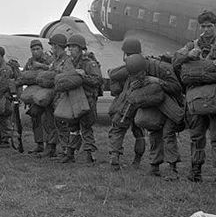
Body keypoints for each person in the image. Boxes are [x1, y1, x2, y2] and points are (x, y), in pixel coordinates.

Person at [172, 11, 216, 182]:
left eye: (210, 26)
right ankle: (195, 170)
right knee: (196, 136)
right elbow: (175, 60)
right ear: (199, 26)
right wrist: (188, 55)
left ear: (215, 26)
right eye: (203, 26)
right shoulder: (192, 45)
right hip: (196, 97)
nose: (206, 29)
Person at [128, 52, 184, 179]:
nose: (138, 77)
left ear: (143, 68)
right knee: (153, 132)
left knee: (168, 133)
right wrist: (134, 87)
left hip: (171, 104)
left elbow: (177, 88)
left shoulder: (163, 68)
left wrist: (158, 81)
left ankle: (172, 168)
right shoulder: (135, 70)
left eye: (139, 74)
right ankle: (154, 166)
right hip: (154, 103)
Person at [62, 34, 103, 164]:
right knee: (72, 127)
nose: (71, 49)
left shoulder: (90, 63)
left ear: (81, 48)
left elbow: (98, 80)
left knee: (86, 126)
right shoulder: (69, 62)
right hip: (73, 98)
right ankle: (70, 154)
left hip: (87, 99)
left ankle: (90, 155)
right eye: (70, 47)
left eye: (74, 46)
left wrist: (83, 76)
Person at [107, 36, 147, 170]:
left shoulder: (129, 66)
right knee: (139, 133)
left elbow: (113, 74)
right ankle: (137, 160)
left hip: (127, 102)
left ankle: (114, 158)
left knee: (117, 129)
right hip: (141, 103)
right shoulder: (145, 64)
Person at [40, 33, 74, 159]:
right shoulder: (55, 60)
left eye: (53, 45)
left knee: (62, 124)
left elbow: (68, 78)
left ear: (57, 46)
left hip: (62, 96)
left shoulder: (67, 61)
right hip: (54, 96)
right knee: (50, 122)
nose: (52, 48)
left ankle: (66, 150)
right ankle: (51, 148)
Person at [23, 39, 53, 153]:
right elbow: (25, 75)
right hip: (34, 95)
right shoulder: (30, 62)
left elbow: (54, 71)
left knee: (47, 120)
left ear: (42, 49)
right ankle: (39, 144)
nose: (35, 51)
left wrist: (41, 66)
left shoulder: (49, 59)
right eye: (33, 49)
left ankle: (49, 145)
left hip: (46, 95)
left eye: (37, 49)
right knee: (35, 119)